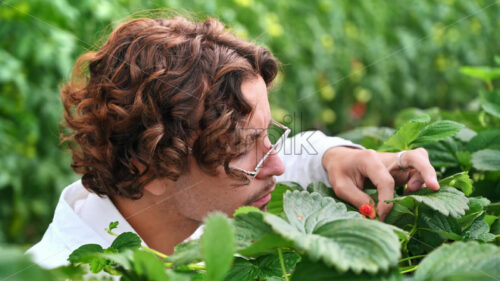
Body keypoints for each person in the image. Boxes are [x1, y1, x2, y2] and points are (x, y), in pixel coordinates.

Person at [27, 15, 439, 268]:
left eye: (269, 133)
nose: (277, 164)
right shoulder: (62, 269)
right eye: (243, 146)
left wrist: (334, 155)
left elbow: (298, 156)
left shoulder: (178, 205)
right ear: (149, 168)